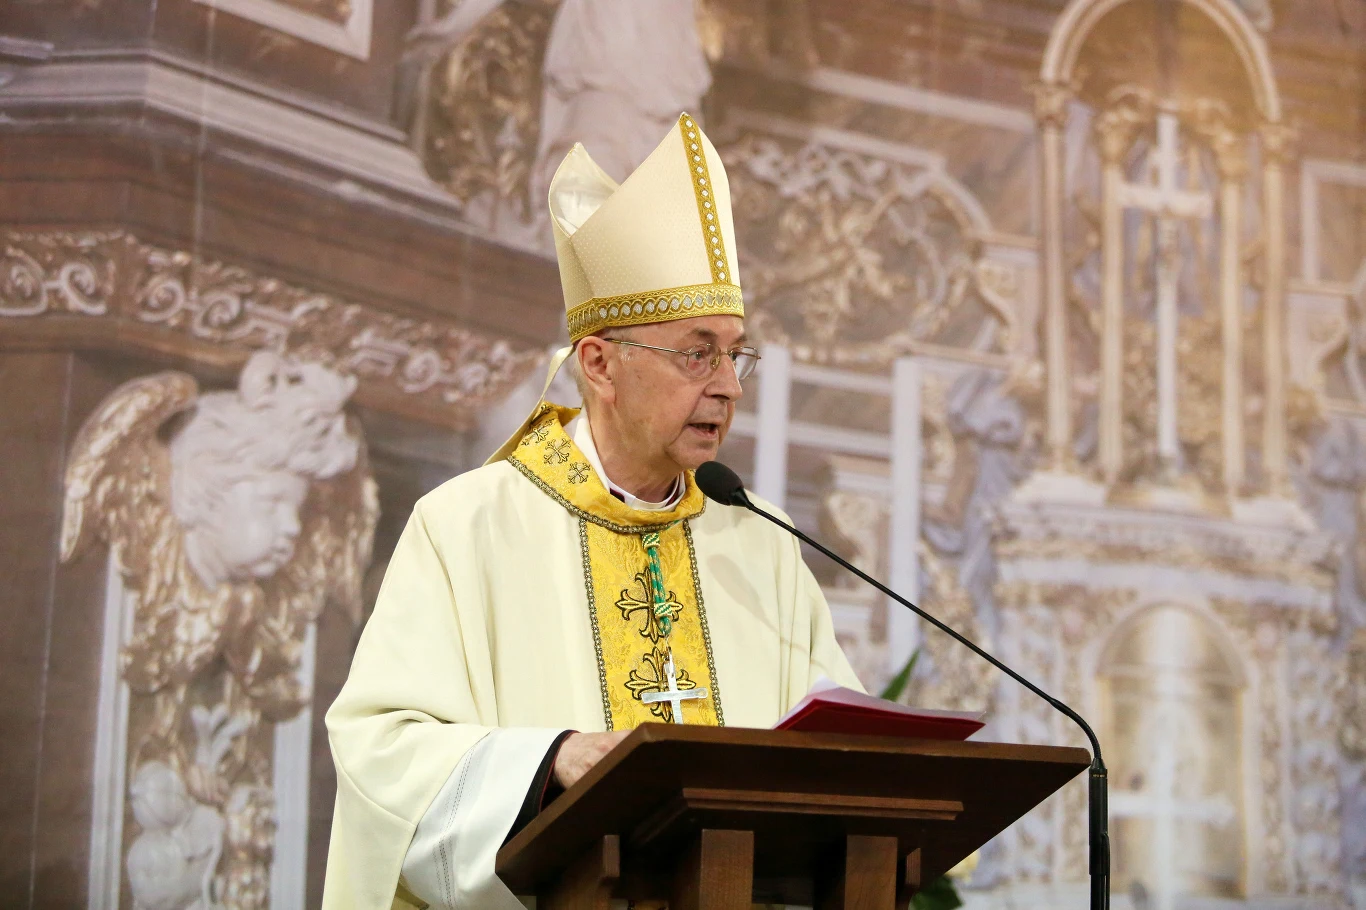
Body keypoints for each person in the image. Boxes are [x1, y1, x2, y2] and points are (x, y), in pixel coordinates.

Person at [322, 112, 861, 910]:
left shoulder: (761, 542)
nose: (729, 384)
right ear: (600, 364)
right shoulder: (467, 527)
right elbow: (381, 754)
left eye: (735, 351)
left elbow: (842, 758)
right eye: (696, 352)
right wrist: (550, 760)